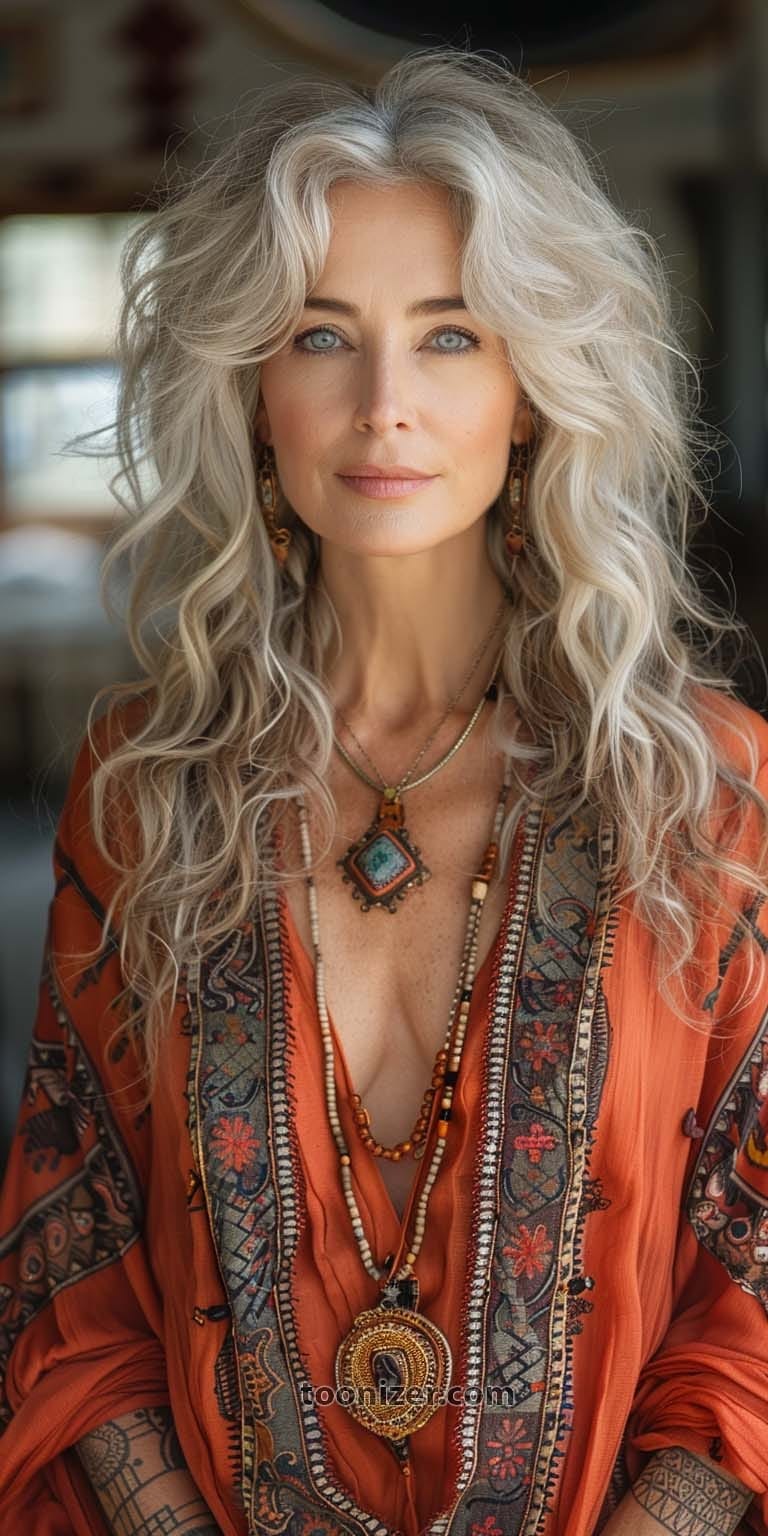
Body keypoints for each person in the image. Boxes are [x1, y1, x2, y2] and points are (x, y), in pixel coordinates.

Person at [1, 44, 767, 1536]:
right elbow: (68, 1241)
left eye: (452, 337)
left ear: (538, 390)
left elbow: (758, 1256)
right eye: (321, 335)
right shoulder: (144, 790)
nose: (385, 405)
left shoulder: (705, 790)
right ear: (250, 390)